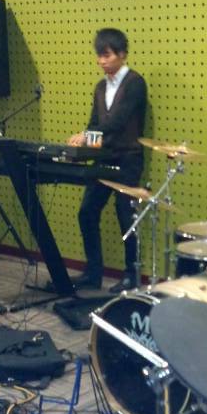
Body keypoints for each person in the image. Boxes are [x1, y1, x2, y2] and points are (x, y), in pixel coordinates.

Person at [67, 28, 147, 293]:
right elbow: (96, 124)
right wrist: (83, 147)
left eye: (107, 55)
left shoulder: (135, 83)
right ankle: (93, 273)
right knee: (87, 212)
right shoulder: (100, 87)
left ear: (122, 54)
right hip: (104, 158)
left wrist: (86, 135)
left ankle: (131, 275)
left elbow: (117, 121)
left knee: (126, 217)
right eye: (99, 56)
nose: (101, 61)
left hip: (128, 159)